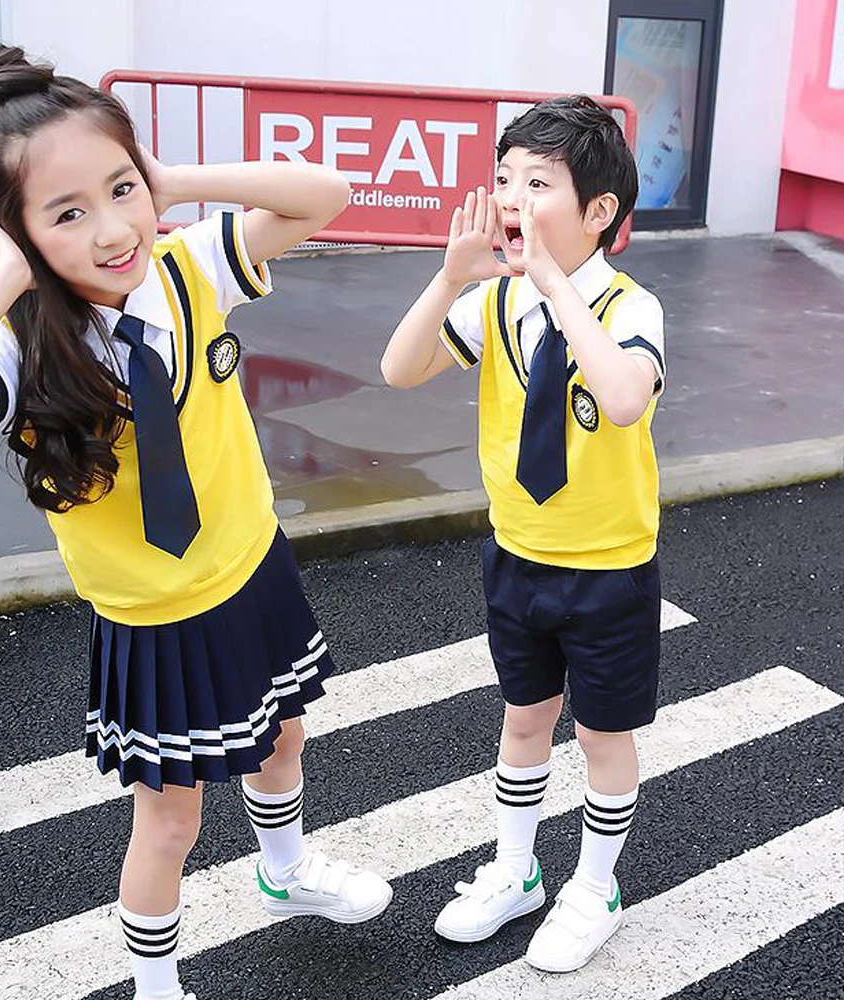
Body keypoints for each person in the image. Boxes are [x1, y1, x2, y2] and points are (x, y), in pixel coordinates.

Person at [0, 44, 391, 1000]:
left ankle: (283, 873)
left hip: (251, 566)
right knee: (170, 822)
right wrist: (6, 282)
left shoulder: (186, 265)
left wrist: (171, 182)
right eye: (67, 214)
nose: (114, 230)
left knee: (284, 735)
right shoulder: (21, 348)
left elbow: (328, 192)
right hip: (155, 617)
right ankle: (154, 983)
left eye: (122, 189)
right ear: (16, 231)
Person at [380, 95, 665, 973]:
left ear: (599, 214)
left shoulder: (627, 306)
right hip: (517, 557)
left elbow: (622, 399)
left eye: (538, 181)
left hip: (609, 569)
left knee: (603, 737)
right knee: (523, 719)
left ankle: (597, 885)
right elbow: (399, 369)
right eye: (504, 177)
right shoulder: (497, 303)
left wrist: (550, 286)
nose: (510, 195)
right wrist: (450, 278)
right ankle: (516, 869)